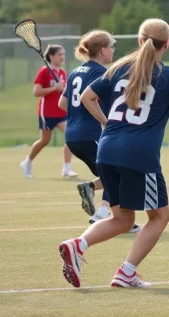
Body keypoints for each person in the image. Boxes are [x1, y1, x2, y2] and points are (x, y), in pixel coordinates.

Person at [58, 18, 169, 289]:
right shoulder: (167, 74)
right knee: (160, 216)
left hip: (108, 149)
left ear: (139, 40)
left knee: (123, 219)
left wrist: (105, 123)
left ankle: (78, 244)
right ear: (167, 45)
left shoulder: (118, 67)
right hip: (139, 155)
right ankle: (126, 272)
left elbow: (87, 97)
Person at [57, 30, 140, 233]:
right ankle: (106, 217)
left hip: (73, 136)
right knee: (118, 173)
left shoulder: (76, 72)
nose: (113, 50)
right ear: (103, 50)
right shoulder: (102, 73)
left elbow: (62, 104)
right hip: (91, 134)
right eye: (111, 46)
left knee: (113, 175)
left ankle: (94, 195)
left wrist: (78, 115)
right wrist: (105, 122)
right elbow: (90, 100)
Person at [20, 44, 77, 179]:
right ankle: (27, 162)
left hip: (61, 112)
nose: (62, 57)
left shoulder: (63, 73)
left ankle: (66, 168)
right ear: (51, 56)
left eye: (63, 54)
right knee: (45, 140)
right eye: (59, 54)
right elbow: (36, 92)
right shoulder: (44, 71)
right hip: (47, 113)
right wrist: (54, 88)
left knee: (71, 135)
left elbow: (64, 93)